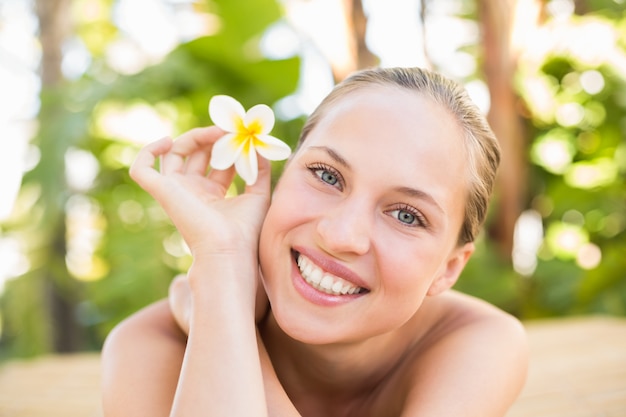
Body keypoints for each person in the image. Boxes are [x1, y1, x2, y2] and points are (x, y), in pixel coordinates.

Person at [101, 66, 528, 417]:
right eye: (327, 175)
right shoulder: (147, 348)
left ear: (449, 268)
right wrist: (222, 264)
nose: (340, 236)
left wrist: (214, 316)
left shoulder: (477, 343)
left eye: (406, 215)